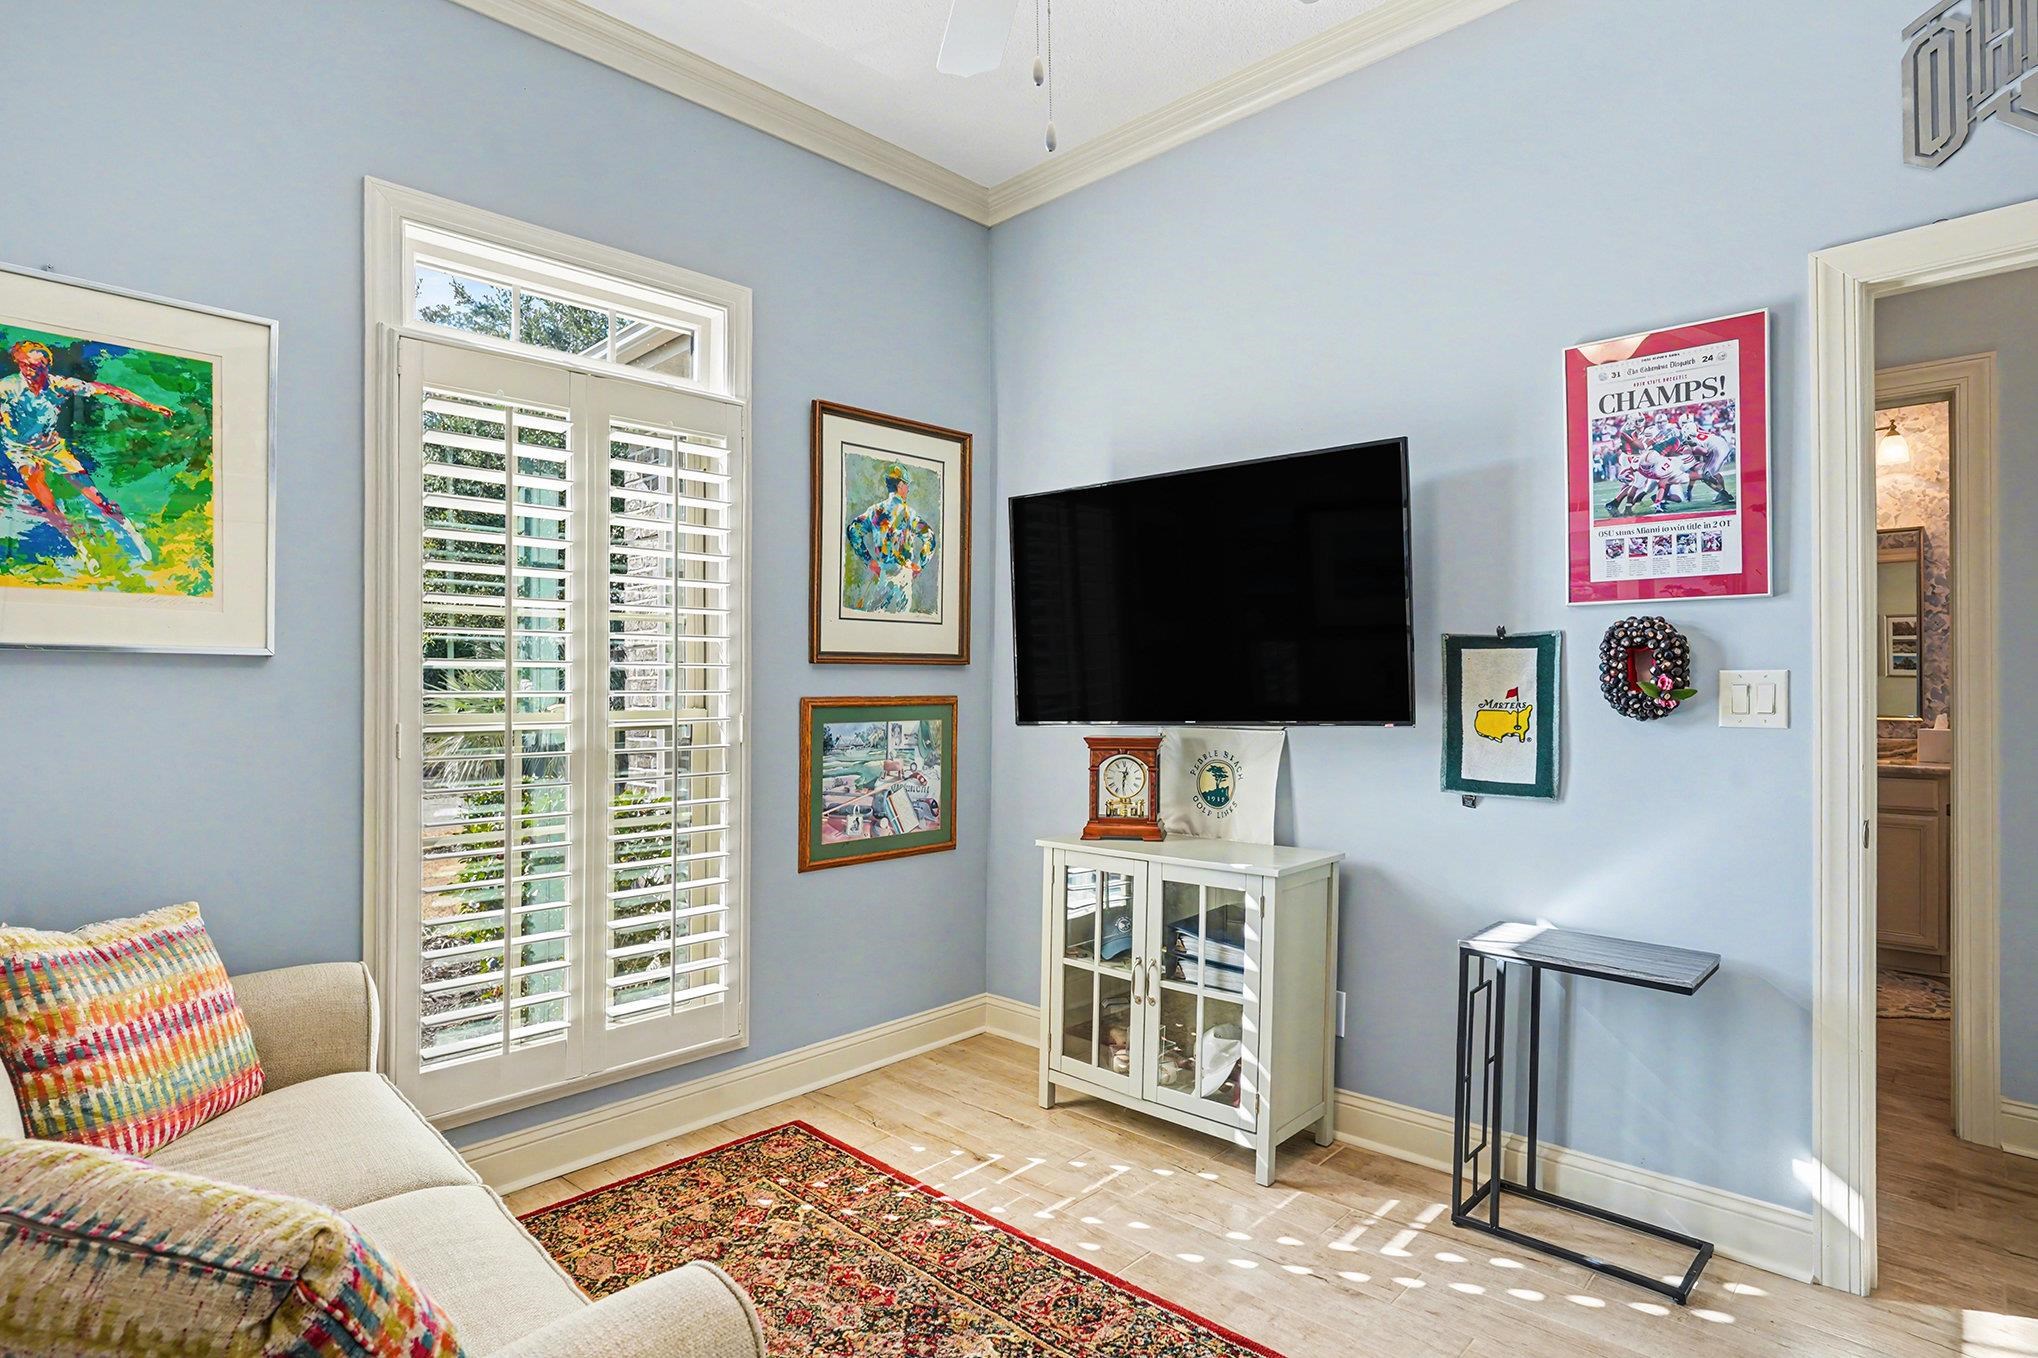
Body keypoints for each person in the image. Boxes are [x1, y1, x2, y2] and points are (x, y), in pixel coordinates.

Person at [0, 339, 171, 561]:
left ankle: (130, 532)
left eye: (35, 366)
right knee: (46, 500)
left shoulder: (59, 385)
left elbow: (108, 390)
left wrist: (149, 405)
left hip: (51, 446)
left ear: (46, 366)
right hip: (19, 449)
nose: (29, 371)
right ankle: (79, 546)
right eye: (24, 365)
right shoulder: (7, 387)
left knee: (95, 495)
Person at [844, 462, 936, 614]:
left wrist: (869, 561)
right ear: (900, 485)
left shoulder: (875, 511)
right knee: (901, 621)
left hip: (883, 573)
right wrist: (920, 565)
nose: (908, 489)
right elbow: (930, 537)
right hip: (904, 574)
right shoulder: (910, 514)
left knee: (875, 617)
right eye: (906, 484)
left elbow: (853, 530)